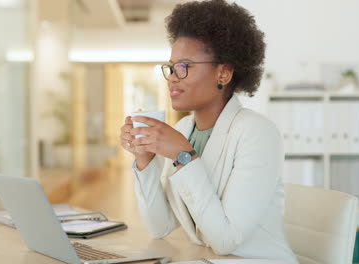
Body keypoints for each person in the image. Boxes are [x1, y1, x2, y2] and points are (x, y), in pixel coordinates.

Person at [119, 0, 298, 263]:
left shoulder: (257, 133)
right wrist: (144, 160)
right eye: (171, 67)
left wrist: (183, 155)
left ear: (223, 74)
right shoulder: (184, 129)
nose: (172, 77)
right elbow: (161, 227)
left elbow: (226, 240)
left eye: (185, 66)